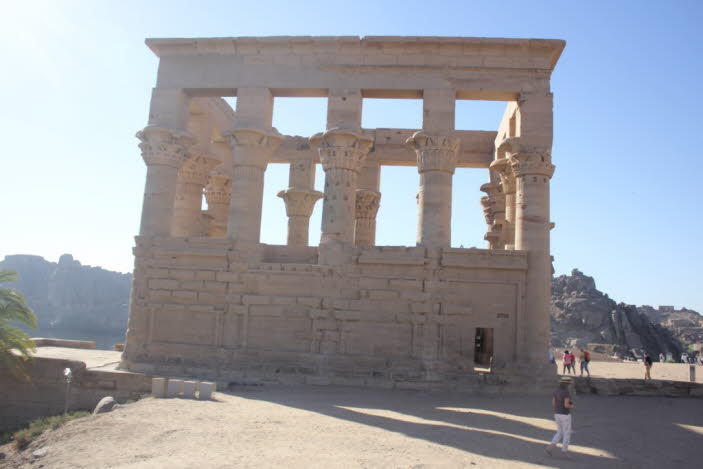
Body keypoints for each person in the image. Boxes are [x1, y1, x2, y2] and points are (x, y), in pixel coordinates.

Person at [547, 376, 575, 458]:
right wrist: (572, 406)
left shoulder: (556, 391)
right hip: (565, 414)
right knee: (567, 433)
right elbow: (566, 405)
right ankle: (564, 450)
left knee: (559, 431)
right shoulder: (566, 392)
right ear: (568, 384)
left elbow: (553, 404)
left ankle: (551, 447)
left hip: (557, 413)